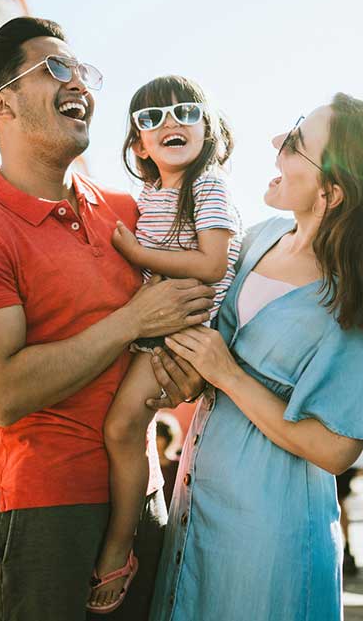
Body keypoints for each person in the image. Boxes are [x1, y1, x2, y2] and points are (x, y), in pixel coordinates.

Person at [0, 17, 211, 621]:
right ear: (1, 104)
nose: (78, 83)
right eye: (56, 69)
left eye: (83, 71)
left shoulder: (126, 211)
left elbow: (180, 316)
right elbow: (2, 393)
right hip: (43, 511)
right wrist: (132, 321)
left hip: (143, 500)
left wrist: (178, 373)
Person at [144, 93, 363, 620]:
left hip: (269, 534)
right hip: (195, 507)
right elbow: (207, 359)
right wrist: (189, 374)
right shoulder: (257, 238)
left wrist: (226, 374)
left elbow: (335, 450)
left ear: (333, 191)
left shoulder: (362, 300)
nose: (277, 142)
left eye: (297, 142)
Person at [88, 76, 242, 613]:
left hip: (184, 330)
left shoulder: (208, 186)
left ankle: (118, 547)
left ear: (209, 126)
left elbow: (211, 264)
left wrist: (135, 252)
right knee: (123, 425)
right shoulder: (154, 194)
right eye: (151, 120)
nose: (169, 123)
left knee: (122, 426)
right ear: (138, 145)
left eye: (184, 111)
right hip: (160, 326)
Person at [154, 414, 182, 511]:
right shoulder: (145, 464)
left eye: (160, 437)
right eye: (155, 436)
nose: (156, 441)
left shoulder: (177, 466)